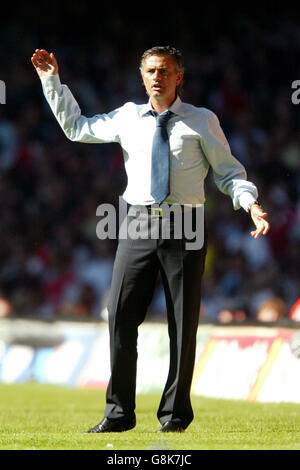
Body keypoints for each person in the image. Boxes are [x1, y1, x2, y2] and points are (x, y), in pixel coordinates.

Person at [31, 46, 270, 433]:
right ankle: (119, 413)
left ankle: (174, 416)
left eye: (166, 70)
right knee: (121, 318)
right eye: (151, 70)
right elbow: (77, 128)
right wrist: (51, 80)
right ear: (142, 76)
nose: (158, 76)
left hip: (185, 225)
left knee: (182, 323)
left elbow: (228, 172)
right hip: (137, 223)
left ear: (180, 77)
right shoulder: (127, 116)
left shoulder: (202, 121)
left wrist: (250, 203)